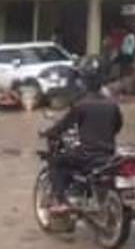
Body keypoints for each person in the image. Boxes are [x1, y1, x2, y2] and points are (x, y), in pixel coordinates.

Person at [40, 67, 124, 215]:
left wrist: (47, 133)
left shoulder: (82, 105)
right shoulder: (112, 105)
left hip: (87, 155)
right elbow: (117, 126)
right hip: (109, 154)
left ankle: (61, 201)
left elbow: (63, 126)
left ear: (84, 86)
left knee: (56, 162)